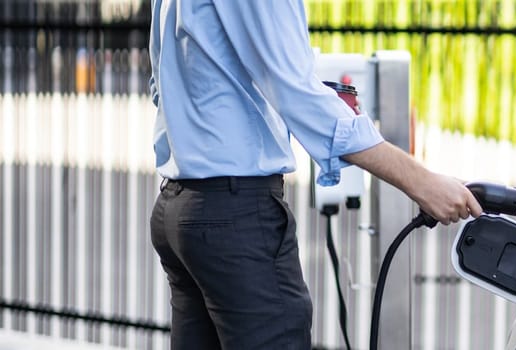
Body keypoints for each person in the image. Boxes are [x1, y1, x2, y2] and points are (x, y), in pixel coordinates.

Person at [146, 1, 483, 349]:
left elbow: (163, 83)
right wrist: (423, 183)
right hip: (234, 220)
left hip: (181, 210)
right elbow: (297, 94)